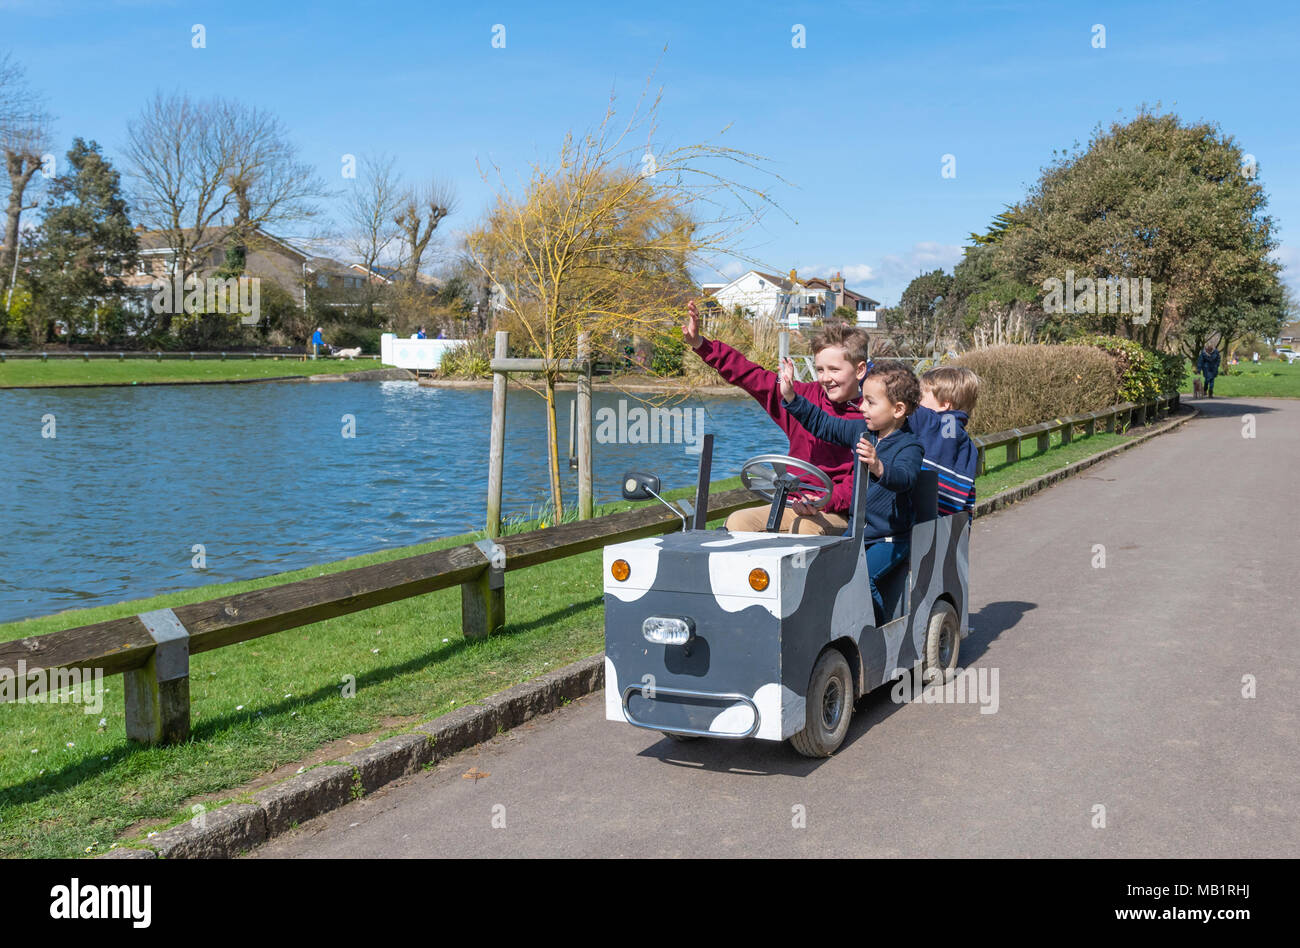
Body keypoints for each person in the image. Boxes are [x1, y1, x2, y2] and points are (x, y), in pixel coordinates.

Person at [683, 298, 869, 535]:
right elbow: (750, 375)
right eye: (820, 369)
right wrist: (701, 344)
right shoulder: (800, 397)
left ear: (860, 370)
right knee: (739, 522)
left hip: (840, 511)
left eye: (834, 370)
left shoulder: (870, 415)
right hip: (794, 502)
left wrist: (821, 502)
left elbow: (861, 485)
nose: (825, 378)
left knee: (805, 527)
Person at [780, 358, 924, 623]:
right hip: (857, 530)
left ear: (898, 409)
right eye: (863, 400)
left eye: (870, 402)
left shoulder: (910, 446)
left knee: (862, 579)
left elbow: (905, 478)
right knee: (831, 573)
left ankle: (878, 631)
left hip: (890, 537)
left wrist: (879, 466)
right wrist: (791, 397)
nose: (861, 407)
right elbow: (822, 423)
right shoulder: (862, 431)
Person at [902, 365, 980, 518]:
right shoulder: (967, 445)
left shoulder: (934, 422)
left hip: (918, 523)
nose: (916, 401)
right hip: (947, 529)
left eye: (920, 396)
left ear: (945, 404)